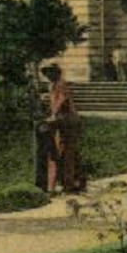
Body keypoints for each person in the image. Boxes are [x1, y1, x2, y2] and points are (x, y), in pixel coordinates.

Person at [42, 64, 85, 193]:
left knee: (68, 152)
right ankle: (67, 182)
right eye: (46, 74)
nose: (47, 76)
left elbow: (62, 100)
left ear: (56, 73)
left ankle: (70, 183)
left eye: (50, 73)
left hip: (69, 122)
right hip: (62, 122)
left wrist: (54, 115)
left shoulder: (60, 84)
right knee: (62, 152)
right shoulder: (53, 85)